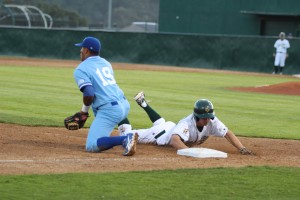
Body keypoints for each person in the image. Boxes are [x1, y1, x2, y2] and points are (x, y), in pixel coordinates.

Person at [118, 92, 253, 155]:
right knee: (126, 134)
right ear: (197, 116)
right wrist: (190, 152)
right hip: (158, 135)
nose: (207, 120)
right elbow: (174, 140)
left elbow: (227, 133)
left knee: (162, 123)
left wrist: (241, 148)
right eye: (204, 118)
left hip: (170, 127)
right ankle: (118, 105)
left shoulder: (212, 120)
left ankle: (143, 103)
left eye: (209, 117)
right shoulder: (186, 123)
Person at [73, 36, 138, 156]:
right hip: (124, 105)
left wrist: (84, 112)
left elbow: (89, 93)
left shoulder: (81, 69)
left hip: (110, 110)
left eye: (82, 48)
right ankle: (112, 138)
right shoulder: (106, 63)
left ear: (86, 50)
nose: (80, 51)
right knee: (100, 116)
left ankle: (125, 138)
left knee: (91, 145)